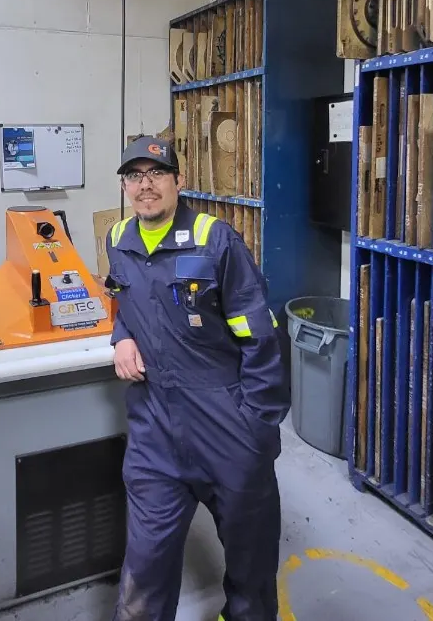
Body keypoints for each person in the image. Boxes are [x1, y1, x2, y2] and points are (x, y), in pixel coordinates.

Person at [105, 136, 289, 621]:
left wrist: (257, 429)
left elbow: (261, 336)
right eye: (134, 176)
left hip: (226, 424)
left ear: (179, 181)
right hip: (154, 428)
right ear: (125, 186)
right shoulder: (117, 239)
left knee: (251, 567)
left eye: (157, 173)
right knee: (144, 567)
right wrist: (121, 336)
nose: (146, 186)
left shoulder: (216, 239)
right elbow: (125, 299)